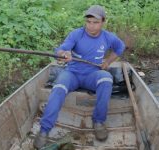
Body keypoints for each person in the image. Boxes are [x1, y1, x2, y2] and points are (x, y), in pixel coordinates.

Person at [33, 5, 125, 149]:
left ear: (103, 22)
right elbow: (61, 49)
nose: (91, 26)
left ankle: (98, 121)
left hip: (92, 75)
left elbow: (120, 47)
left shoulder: (108, 37)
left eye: (95, 22)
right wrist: (64, 54)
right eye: (88, 22)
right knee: (58, 88)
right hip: (72, 74)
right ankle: (44, 130)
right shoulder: (77, 34)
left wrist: (107, 62)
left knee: (106, 79)